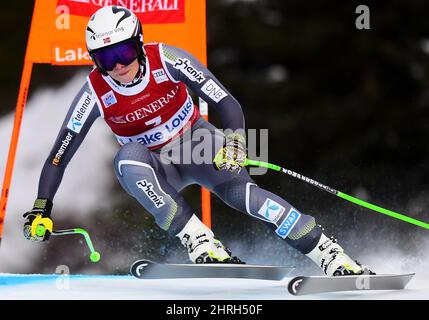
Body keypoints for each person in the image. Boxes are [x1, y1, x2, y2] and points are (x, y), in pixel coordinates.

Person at [23, 5, 373, 276]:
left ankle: (329, 254)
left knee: (246, 196)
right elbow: (59, 156)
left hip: (196, 145)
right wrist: (42, 207)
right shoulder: (94, 92)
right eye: (105, 59)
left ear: (139, 44)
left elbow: (226, 102)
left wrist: (235, 143)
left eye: (124, 53)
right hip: (155, 164)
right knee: (128, 160)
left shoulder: (168, 59)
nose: (117, 67)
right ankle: (201, 243)